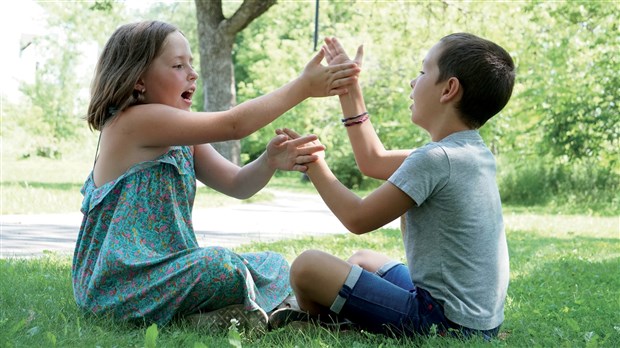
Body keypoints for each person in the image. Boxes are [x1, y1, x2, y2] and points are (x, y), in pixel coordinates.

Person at [71, 20, 359, 332]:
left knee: (273, 265)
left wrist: (269, 161)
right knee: (222, 265)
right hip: (119, 286)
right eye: (179, 65)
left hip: (171, 272)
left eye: (191, 64)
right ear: (138, 80)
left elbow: (237, 184)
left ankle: (247, 316)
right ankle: (259, 312)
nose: (192, 74)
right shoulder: (133, 122)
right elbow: (234, 125)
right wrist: (302, 87)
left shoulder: (181, 133)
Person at [271, 33, 515, 340]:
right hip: (478, 323)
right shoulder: (468, 152)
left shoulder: (436, 159)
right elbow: (372, 161)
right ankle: (337, 312)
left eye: (423, 72)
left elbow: (357, 219)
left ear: (449, 89)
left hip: (444, 325)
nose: (414, 82)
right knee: (362, 259)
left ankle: (322, 323)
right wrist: (349, 90)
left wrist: (314, 163)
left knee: (307, 267)